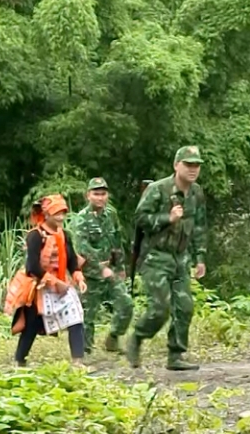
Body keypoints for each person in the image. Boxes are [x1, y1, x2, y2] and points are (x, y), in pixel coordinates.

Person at [126, 146, 207, 371]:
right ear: (176, 165)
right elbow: (140, 219)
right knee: (160, 309)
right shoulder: (157, 189)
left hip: (181, 257)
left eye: (196, 165)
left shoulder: (196, 193)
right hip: (156, 256)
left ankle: (176, 355)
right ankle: (137, 337)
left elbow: (199, 226)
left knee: (185, 307)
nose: (193, 169)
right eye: (188, 164)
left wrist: (200, 257)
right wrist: (167, 218)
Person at [11, 194, 89, 367]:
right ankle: (19, 360)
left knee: (76, 317)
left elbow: (72, 261)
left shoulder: (64, 235)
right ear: (47, 214)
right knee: (31, 323)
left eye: (63, 213)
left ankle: (77, 361)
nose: (61, 217)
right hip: (39, 285)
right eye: (57, 213)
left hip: (62, 284)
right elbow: (32, 266)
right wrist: (54, 282)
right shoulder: (35, 236)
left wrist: (78, 277)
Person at [69, 177, 134, 355]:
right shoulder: (81, 219)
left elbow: (117, 240)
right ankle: (85, 352)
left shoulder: (111, 214)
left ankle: (113, 338)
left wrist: (120, 266)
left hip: (110, 271)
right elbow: (83, 248)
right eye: (96, 194)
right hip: (90, 274)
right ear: (88, 196)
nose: (100, 198)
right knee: (87, 316)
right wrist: (100, 267)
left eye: (103, 194)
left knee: (126, 304)